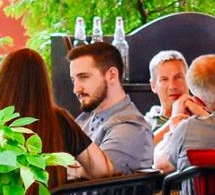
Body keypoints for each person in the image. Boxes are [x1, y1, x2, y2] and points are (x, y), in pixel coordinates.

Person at [0, 47, 113, 187]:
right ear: (43, 82)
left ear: (0, 80)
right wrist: (75, 171)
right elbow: (103, 171)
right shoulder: (60, 120)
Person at [66, 40, 154, 173]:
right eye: (74, 80)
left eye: (84, 77)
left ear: (112, 75)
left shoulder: (131, 127)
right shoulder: (85, 118)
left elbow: (100, 175)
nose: (76, 89)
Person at [143, 49, 195, 141]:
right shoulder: (144, 124)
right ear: (153, 86)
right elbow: (142, 148)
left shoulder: (203, 115)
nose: (172, 86)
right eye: (164, 79)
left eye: (178, 77)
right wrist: (175, 119)